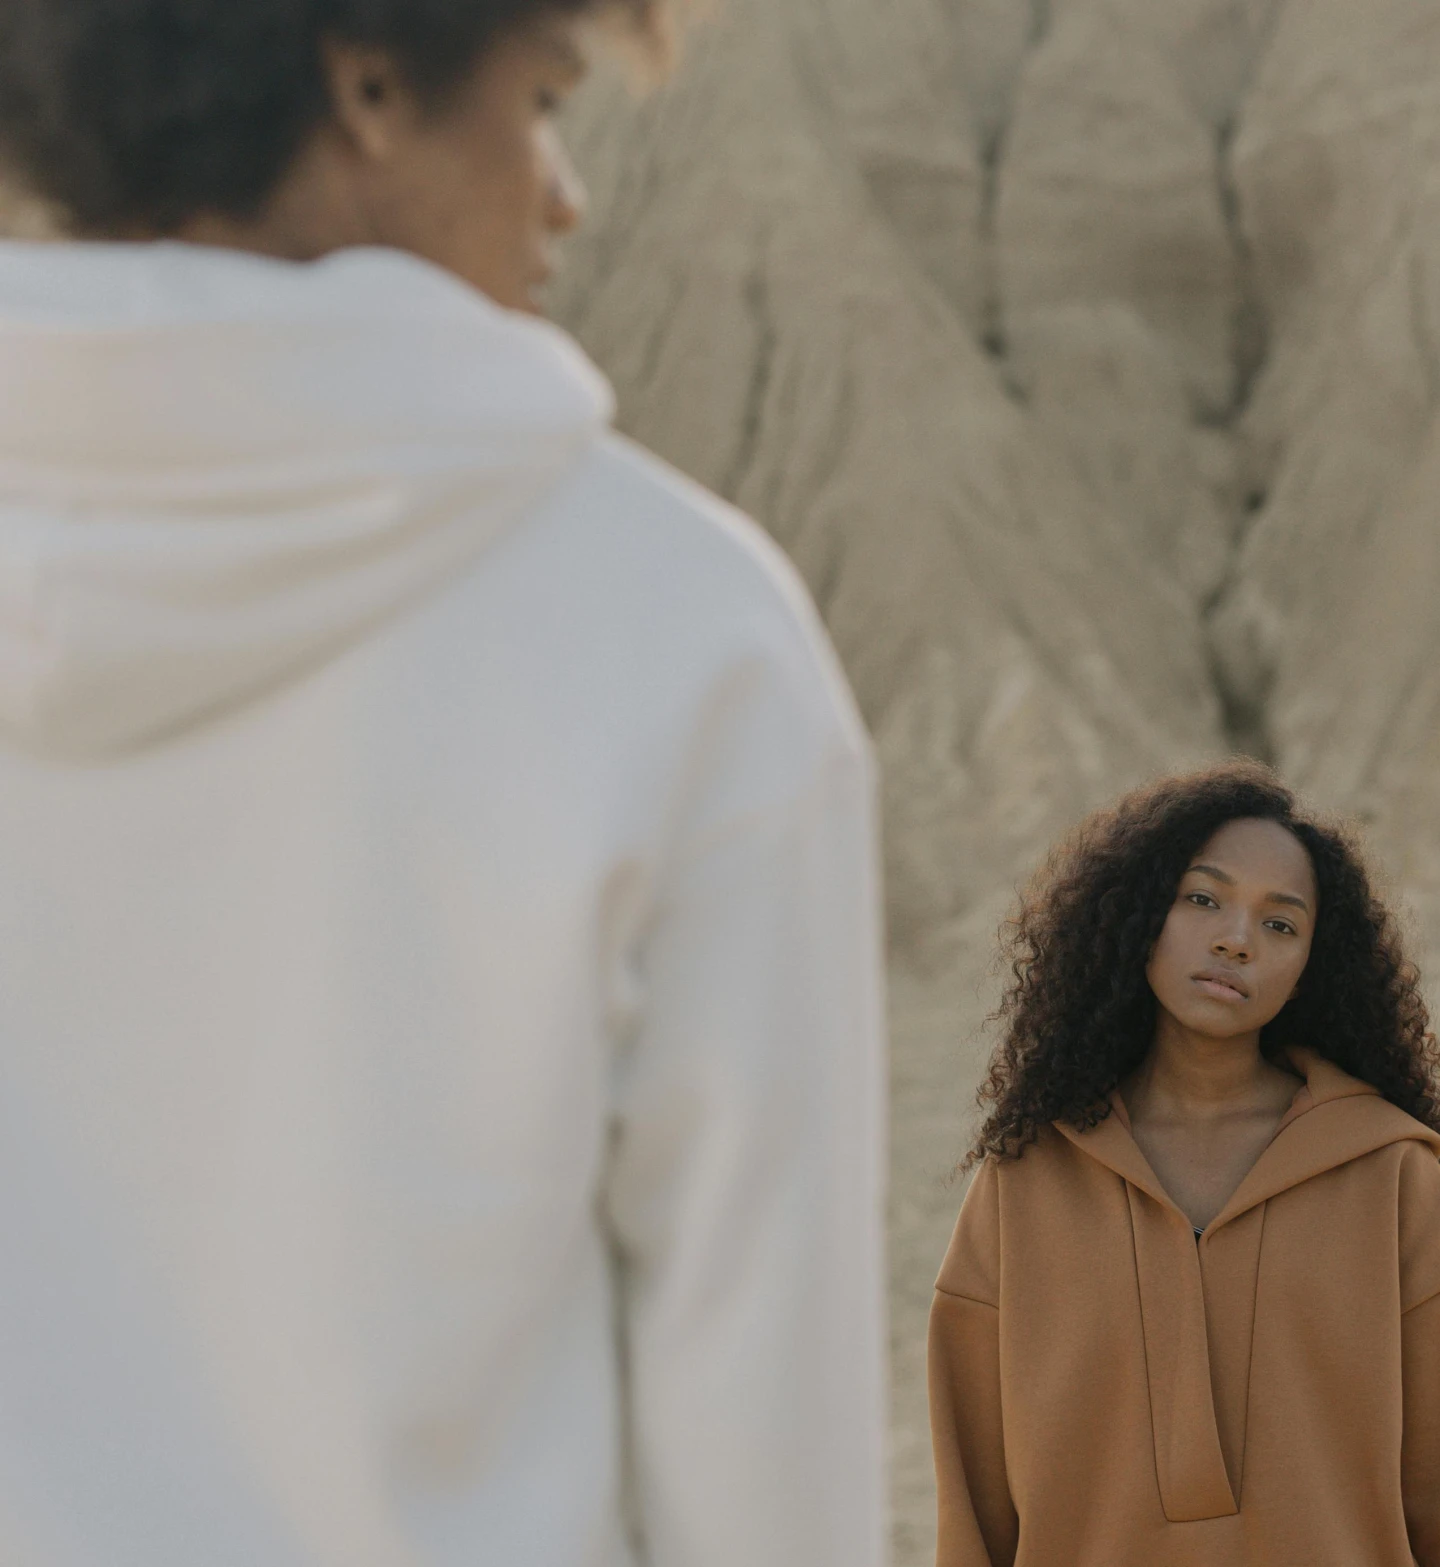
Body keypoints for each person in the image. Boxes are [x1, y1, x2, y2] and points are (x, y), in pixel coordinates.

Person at [0, 2, 886, 1563]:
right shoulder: (681, 637)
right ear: (368, 83)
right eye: (541, 101)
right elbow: (762, 1458)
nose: (564, 192)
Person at [928, 762, 1440, 1566]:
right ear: (1141, 913)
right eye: (1202, 898)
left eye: (1280, 925)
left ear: (1311, 966)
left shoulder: (1389, 1174)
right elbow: (974, 1511)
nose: (1235, 939)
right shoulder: (1026, 1176)